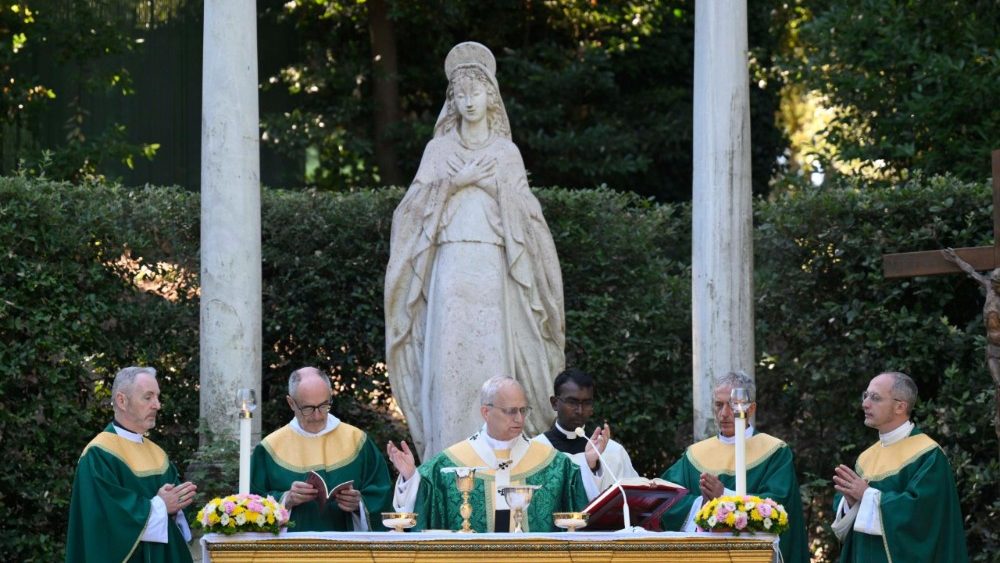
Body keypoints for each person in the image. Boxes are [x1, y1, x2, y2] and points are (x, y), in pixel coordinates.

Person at [384, 41, 565, 462]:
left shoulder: (506, 153)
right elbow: (410, 213)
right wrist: (457, 181)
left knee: (494, 361)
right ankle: (447, 457)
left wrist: (487, 185)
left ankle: (502, 461)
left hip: (493, 266)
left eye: (476, 92)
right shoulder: (439, 150)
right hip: (449, 265)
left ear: (491, 98)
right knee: (449, 367)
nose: (468, 101)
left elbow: (528, 217)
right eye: (460, 94)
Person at [386, 376, 591, 532]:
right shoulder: (448, 464)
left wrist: (592, 468)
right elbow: (423, 506)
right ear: (486, 412)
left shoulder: (555, 465)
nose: (519, 418)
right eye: (511, 411)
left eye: (523, 410)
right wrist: (410, 477)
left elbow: (583, 516)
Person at [659, 371, 809, 563]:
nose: (724, 414)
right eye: (719, 405)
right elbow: (668, 499)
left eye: (732, 405)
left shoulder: (774, 452)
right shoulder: (695, 455)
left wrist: (724, 496)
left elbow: (779, 504)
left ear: (751, 408)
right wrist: (701, 504)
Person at [831, 371, 968, 562]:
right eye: (866, 395)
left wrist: (867, 496)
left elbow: (923, 517)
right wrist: (851, 503)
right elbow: (851, 521)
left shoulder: (928, 454)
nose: (865, 403)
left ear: (900, 407)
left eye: (875, 398)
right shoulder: (866, 458)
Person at [65, 366, 196, 563]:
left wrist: (178, 506)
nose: (157, 405)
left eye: (157, 397)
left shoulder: (158, 454)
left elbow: (175, 514)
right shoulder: (99, 454)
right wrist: (161, 506)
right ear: (122, 401)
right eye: (148, 397)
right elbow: (106, 520)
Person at [250, 367, 393, 531]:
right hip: (289, 553)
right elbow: (250, 504)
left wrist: (359, 504)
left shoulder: (357, 441)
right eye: (308, 408)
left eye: (324, 405)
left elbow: (382, 496)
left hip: (349, 553)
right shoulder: (270, 448)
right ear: (291, 403)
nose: (318, 415)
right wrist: (286, 499)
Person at [532, 368, 639, 491]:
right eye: (572, 402)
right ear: (555, 403)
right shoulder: (535, 449)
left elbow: (633, 498)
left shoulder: (613, 451)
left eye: (587, 403)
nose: (580, 411)